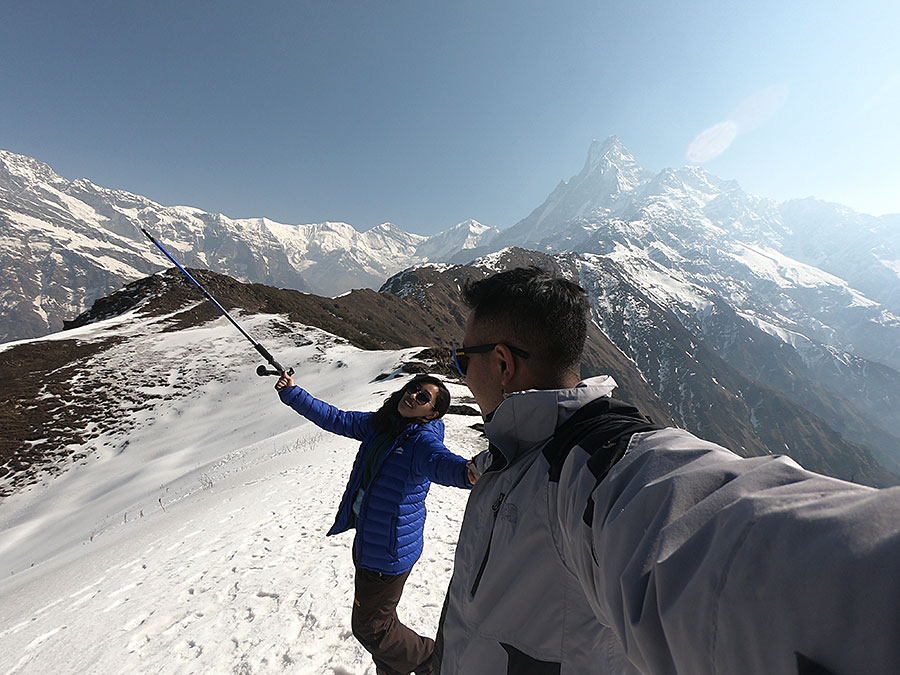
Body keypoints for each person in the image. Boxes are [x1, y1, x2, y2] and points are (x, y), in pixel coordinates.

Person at [433, 266, 900, 674]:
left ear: (502, 364)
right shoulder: (516, 456)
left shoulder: (590, 470)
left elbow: (710, 522)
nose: (460, 372)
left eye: (462, 360)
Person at [275, 372, 476, 675]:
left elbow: (441, 463)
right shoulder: (382, 426)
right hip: (372, 544)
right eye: (414, 389)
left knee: (371, 629)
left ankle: (432, 660)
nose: (413, 396)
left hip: (388, 554)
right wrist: (294, 393)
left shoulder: (420, 442)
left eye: (424, 397)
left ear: (431, 413)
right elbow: (335, 418)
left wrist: (466, 472)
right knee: (381, 624)